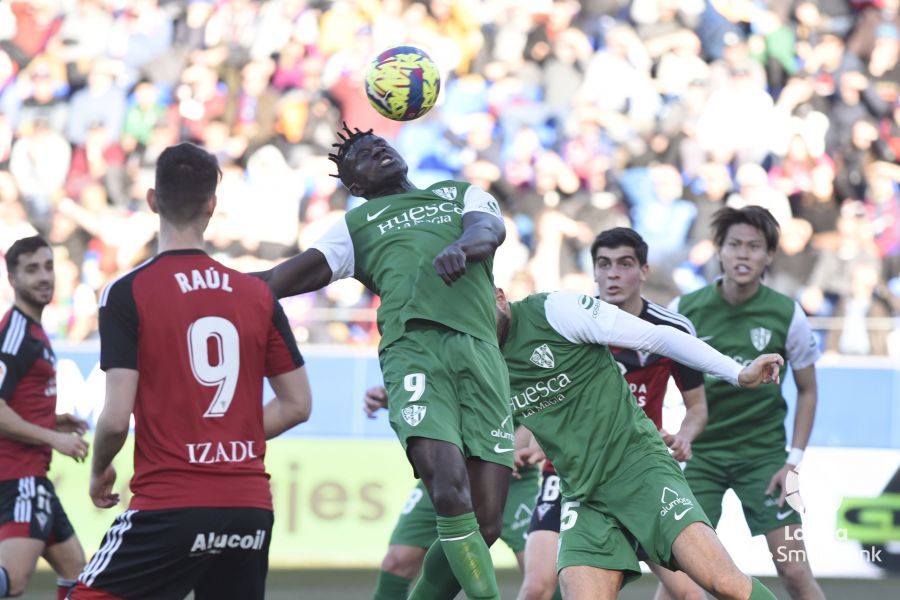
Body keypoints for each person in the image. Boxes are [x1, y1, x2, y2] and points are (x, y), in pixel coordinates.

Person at [368, 285, 782, 599]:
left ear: (499, 296)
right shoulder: (477, 359)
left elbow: (659, 337)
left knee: (723, 583)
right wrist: (396, 395)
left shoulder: (556, 311)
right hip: (583, 494)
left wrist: (738, 372)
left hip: (641, 470)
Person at [257, 124, 511, 599]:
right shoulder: (356, 226)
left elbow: (489, 230)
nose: (377, 151)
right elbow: (278, 279)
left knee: (487, 522)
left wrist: (461, 246)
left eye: (381, 145)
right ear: (355, 186)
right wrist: (208, 283)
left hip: (482, 354)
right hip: (414, 352)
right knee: (447, 488)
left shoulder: (458, 193)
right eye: (363, 156)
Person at [70, 143, 312, 599]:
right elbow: (298, 405)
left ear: (152, 200)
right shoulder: (256, 294)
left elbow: (116, 418)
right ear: (212, 205)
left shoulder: (128, 291)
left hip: (170, 504)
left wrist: (99, 468)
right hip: (248, 509)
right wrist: (227, 440)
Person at [517, 227, 709, 600]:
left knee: (692, 593)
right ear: (593, 271)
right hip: (570, 474)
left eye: (624, 264)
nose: (613, 274)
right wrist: (525, 444)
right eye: (604, 264)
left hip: (637, 471)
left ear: (644, 271)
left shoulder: (671, 328)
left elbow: (697, 407)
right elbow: (544, 399)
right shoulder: (568, 323)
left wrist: (685, 437)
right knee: (536, 587)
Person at [665, 206, 825, 600]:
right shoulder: (684, 310)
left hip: (766, 460)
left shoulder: (787, 313)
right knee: (680, 581)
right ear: (719, 250)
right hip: (700, 459)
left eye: (754, 247)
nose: (743, 254)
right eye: (734, 244)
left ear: (769, 255)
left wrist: (793, 461)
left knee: (794, 568)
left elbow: (808, 390)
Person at [363, 401, 539, 599]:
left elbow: (539, 404)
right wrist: (392, 396)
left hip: (509, 476)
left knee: (538, 579)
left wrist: (504, 452)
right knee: (397, 561)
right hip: (450, 470)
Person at [0, 236, 89, 600]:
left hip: (34, 476)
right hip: (18, 476)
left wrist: (54, 422)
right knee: (14, 580)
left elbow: (17, 405)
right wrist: (55, 438)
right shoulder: (15, 334)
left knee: (77, 572)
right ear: (13, 279)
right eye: (32, 269)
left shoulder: (34, 330)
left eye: (48, 267)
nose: (44, 277)